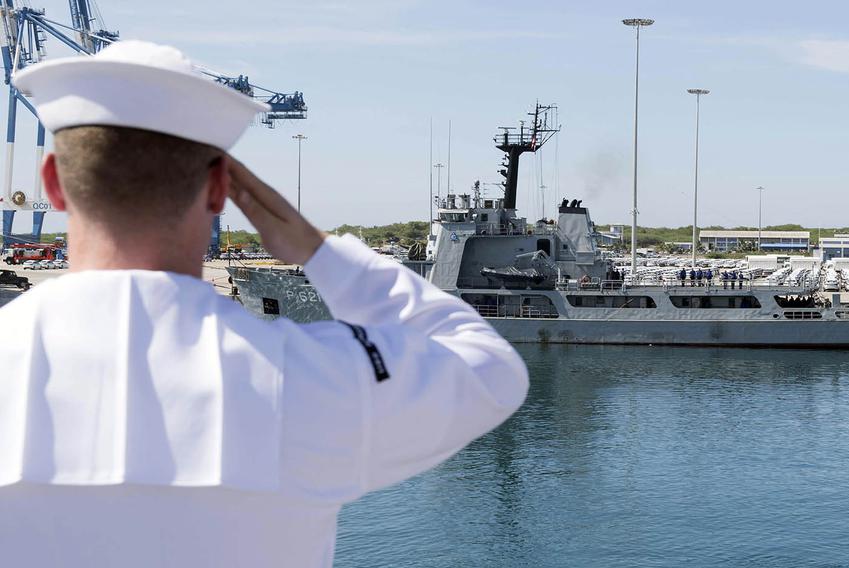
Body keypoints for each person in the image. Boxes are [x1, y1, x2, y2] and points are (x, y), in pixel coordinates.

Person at [0, 41, 529, 568]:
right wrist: (319, 250)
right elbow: (491, 371)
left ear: (52, 183)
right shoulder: (311, 376)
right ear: (218, 191)